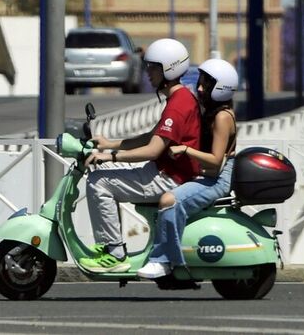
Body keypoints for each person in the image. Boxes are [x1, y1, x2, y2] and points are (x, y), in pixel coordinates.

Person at [79, 38, 201, 272]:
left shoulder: (177, 104)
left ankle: (114, 254)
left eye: (153, 67)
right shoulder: (180, 98)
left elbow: (153, 149)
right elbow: (153, 136)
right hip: (163, 172)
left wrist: (111, 156)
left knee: (98, 182)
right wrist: (110, 143)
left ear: (169, 69)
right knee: (103, 174)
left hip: (169, 178)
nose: (148, 73)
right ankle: (111, 247)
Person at [136, 58, 239, 279]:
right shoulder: (212, 112)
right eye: (200, 83)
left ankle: (163, 261)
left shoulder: (222, 117)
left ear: (221, 88)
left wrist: (186, 150)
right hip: (208, 175)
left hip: (217, 179)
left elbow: (215, 160)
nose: (200, 88)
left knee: (168, 200)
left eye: (206, 85)